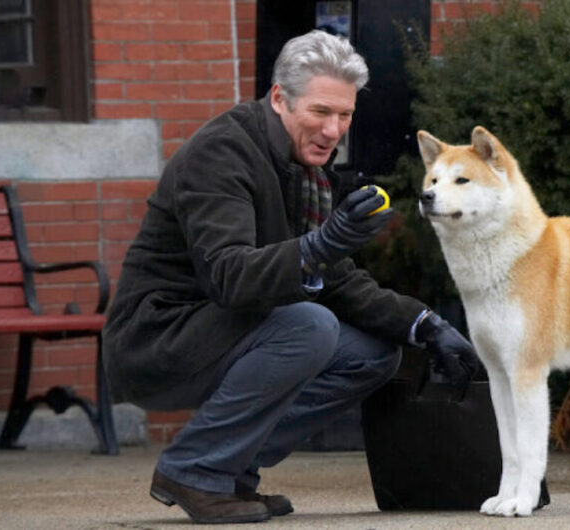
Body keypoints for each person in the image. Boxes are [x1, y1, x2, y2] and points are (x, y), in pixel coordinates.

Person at [102, 30, 480, 524]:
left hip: (220, 333)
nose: (333, 130)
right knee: (308, 326)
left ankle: (232, 469)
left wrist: (425, 324)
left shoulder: (299, 166)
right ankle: (196, 469)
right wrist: (323, 244)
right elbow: (231, 278)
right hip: (157, 342)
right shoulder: (223, 153)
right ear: (279, 98)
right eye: (320, 112)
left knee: (373, 354)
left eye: (344, 115)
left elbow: (337, 278)